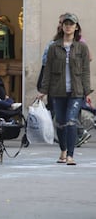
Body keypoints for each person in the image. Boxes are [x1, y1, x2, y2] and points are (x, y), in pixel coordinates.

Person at [37, 13, 91, 166]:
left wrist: (87, 92)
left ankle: (71, 156)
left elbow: (86, 71)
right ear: (62, 26)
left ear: (76, 27)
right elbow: (47, 70)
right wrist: (43, 90)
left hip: (76, 91)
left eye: (71, 24)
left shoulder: (81, 47)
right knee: (60, 123)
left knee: (71, 121)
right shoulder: (54, 47)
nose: (68, 27)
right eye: (66, 24)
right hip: (57, 90)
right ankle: (63, 150)